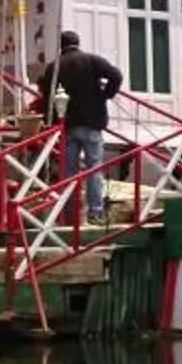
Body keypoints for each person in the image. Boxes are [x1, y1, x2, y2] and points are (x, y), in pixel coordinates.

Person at [51, 28, 123, 224]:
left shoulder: (55, 66)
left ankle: (69, 214)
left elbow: (44, 88)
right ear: (78, 42)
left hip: (67, 124)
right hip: (92, 122)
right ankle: (95, 212)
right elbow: (116, 75)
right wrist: (105, 94)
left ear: (61, 46)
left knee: (68, 172)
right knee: (94, 168)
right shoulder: (91, 60)